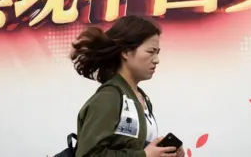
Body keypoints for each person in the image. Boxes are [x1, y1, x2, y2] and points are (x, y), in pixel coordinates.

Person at [71, 15, 185, 157]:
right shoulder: (109, 98)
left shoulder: (141, 98)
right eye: (151, 51)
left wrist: (163, 152)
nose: (156, 60)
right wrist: (145, 155)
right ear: (125, 52)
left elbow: (132, 148)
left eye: (157, 53)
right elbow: (88, 154)